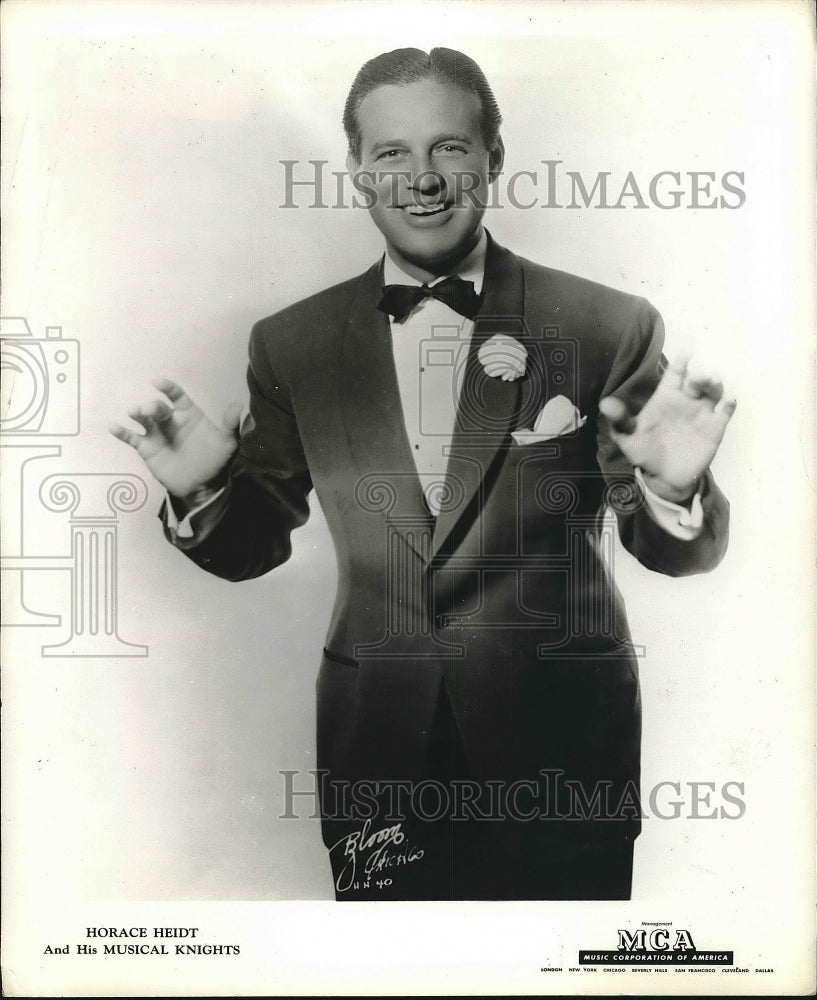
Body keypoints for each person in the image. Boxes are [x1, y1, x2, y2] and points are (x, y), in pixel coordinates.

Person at [110, 47, 735, 901]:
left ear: (493, 160)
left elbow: (672, 552)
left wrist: (669, 491)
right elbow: (250, 547)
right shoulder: (291, 343)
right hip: (378, 750)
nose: (423, 179)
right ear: (358, 173)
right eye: (391, 153)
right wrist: (204, 492)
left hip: (561, 755)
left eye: (449, 148)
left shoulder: (605, 324)